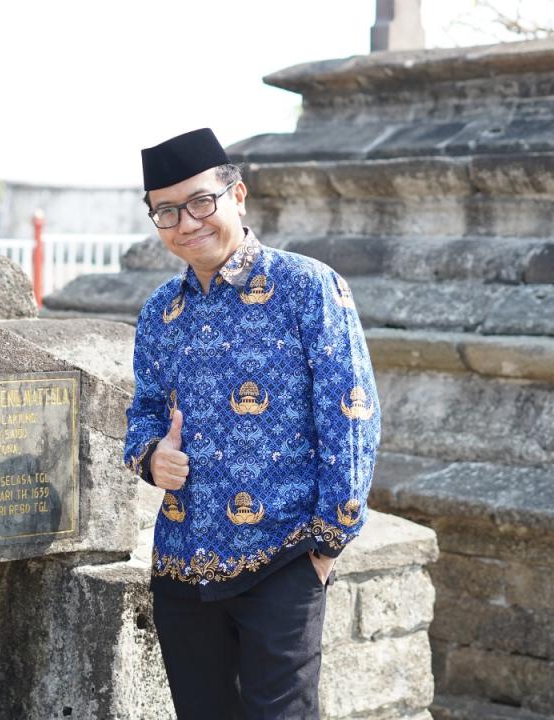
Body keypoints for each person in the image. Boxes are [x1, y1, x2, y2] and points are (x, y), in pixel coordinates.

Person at [122, 127, 381, 719]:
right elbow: (143, 415)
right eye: (166, 212)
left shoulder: (307, 287)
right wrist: (150, 456)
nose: (187, 223)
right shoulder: (162, 310)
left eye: (200, 202)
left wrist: (328, 543)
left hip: (283, 558)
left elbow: (353, 418)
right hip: (182, 561)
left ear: (237, 195)